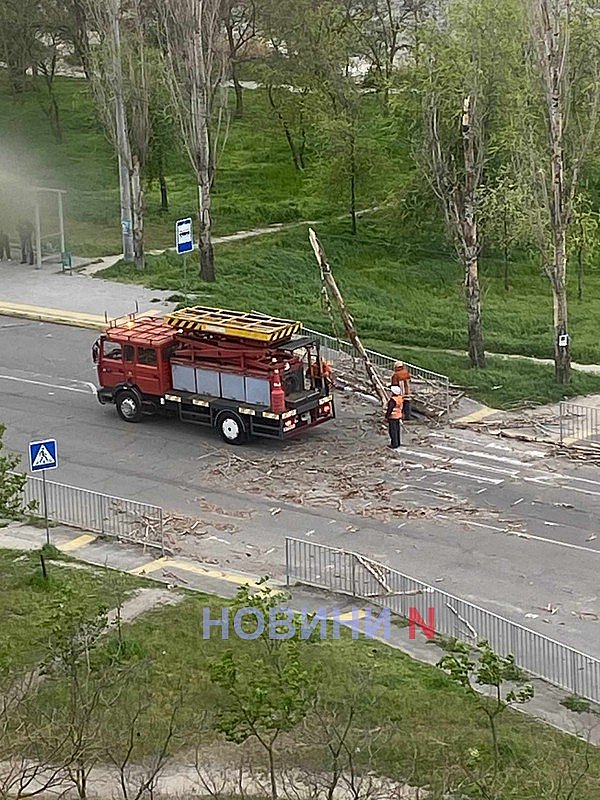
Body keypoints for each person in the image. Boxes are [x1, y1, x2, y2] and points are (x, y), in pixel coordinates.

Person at [385, 385, 403, 449]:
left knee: (392, 431)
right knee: (397, 430)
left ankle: (394, 444)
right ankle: (397, 442)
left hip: (392, 416)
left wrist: (386, 416)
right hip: (398, 415)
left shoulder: (393, 400)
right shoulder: (400, 398)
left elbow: (390, 409)